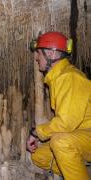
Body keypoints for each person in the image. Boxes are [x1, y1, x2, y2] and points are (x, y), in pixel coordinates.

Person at [27, 31, 91, 180]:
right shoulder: (57, 79)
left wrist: (36, 132)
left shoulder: (70, 77)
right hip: (81, 137)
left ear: (52, 54)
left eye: (39, 53)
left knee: (60, 142)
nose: (36, 58)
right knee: (39, 156)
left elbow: (65, 124)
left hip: (86, 134)